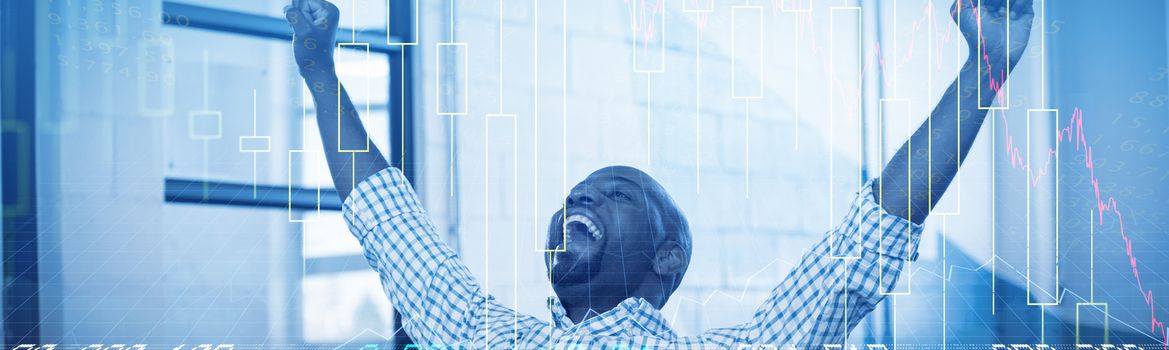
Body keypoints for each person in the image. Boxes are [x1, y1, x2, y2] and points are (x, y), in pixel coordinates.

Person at [284, 0, 1034, 347]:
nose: (579, 196)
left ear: (667, 256)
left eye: (614, 194)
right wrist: (320, 73)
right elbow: (387, 221)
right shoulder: (482, 334)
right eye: (578, 191)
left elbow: (862, 246)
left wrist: (985, 72)